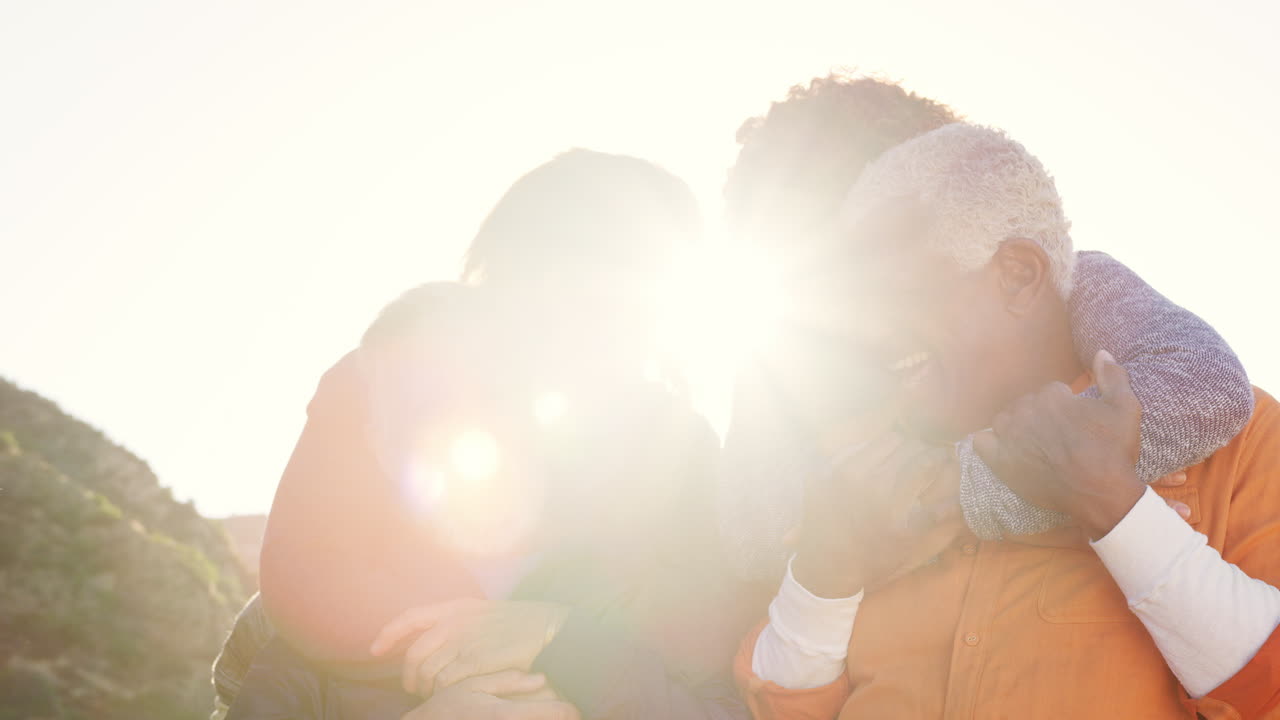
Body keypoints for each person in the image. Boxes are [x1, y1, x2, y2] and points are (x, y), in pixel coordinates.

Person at [733, 123, 1280, 718]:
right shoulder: (854, 470)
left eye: (889, 293)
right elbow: (785, 706)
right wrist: (825, 570)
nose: (865, 331)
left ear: (1019, 274)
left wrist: (1116, 507)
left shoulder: (1238, 440)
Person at [221, 149, 762, 720]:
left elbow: (702, 633)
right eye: (574, 261)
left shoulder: (678, 448)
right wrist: (464, 655)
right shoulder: (382, 376)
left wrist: (553, 636)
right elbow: (305, 574)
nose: (600, 296)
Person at [717, 74, 1255, 584]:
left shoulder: (1068, 278)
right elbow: (750, 537)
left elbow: (1201, 384)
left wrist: (961, 490)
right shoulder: (781, 354)